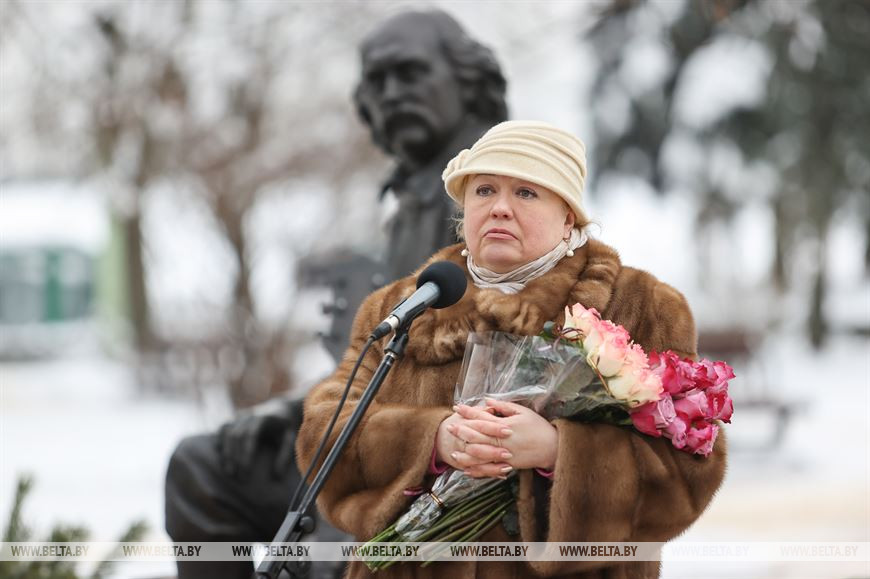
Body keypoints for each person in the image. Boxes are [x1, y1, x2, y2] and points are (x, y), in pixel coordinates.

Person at [297, 120, 728, 578]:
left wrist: (559, 452)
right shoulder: (402, 305)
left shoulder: (641, 305)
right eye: (484, 190)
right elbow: (325, 433)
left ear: (568, 216)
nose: (500, 208)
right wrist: (434, 441)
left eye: (526, 192)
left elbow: (690, 472)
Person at [165, 9, 508, 579]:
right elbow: (372, 357)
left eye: (409, 74)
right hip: (369, 425)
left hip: (440, 456)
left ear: (466, 81)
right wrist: (288, 408)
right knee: (202, 467)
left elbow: (498, 361)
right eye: (377, 81)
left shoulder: (492, 198)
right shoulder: (412, 202)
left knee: (333, 527)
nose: (391, 93)